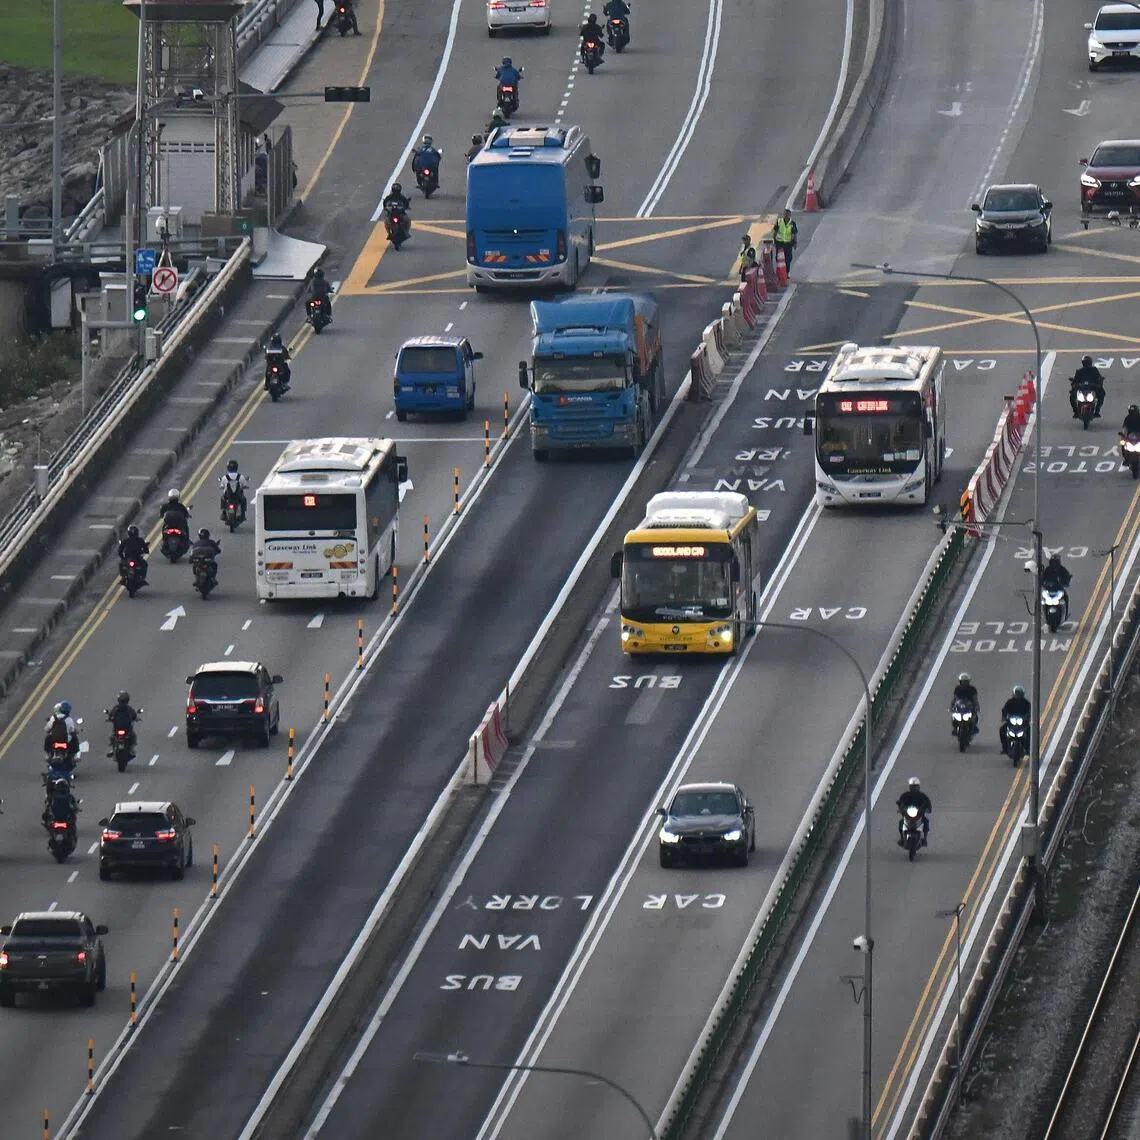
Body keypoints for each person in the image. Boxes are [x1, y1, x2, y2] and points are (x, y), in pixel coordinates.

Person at [896, 776, 932, 845]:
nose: (914, 788)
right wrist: (900, 808)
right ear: (910, 787)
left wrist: (928, 809)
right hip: (908, 814)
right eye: (912, 786)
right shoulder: (905, 795)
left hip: (919, 814)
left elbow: (928, 803)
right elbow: (901, 803)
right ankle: (902, 839)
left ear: (918, 787)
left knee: (926, 822)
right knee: (901, 822)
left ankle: (925, 838)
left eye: (915, 786)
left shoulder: (922, 796)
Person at [106, 691, 138, 759]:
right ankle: (131, 749)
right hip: (124, 729)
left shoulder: (116, 708)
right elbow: (134, 715)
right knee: (133, 736)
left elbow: (110, 715)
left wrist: (110, 718)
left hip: (118, 728)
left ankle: (113, 749)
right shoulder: (128, 708)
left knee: (112, 736)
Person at [1000, 684, 1032, 751]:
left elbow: (1029, 711)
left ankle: (1028, 749)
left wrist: (1027, 718)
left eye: (1019, 693)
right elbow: (1004, 710)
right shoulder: (1010, 702)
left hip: (1022, 723)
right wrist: (1004, 717)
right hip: (1011, 722)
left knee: (1029, 732)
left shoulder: (1026, 703)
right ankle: (1005, 747)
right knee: (1002, 730)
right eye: (1017, 693)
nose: (1018, 694)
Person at [773, 209, 798, 275]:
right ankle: (779, 273)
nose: (786, 216)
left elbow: (794, 234)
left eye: (787, 214)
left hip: (788, 244)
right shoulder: (779, 221)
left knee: (788, 259)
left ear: (790, 215)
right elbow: (775, 232)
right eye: (785, 214)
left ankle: (787, 272)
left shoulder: (792, 223)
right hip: (779, 243)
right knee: (779, 259)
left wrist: (795, 243)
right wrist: (774, 242)